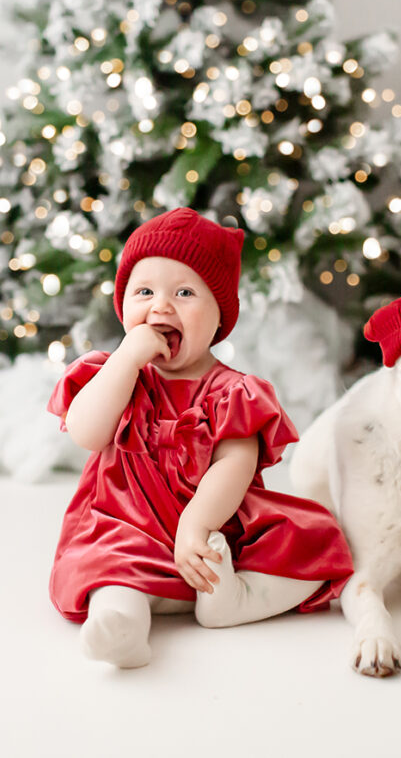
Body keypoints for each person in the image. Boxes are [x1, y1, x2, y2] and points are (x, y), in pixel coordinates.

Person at [47, 207, 353, 668]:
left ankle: (236, 597)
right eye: (144, 291)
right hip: (127, 527)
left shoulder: (232, 391)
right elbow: (88, 434)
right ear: (123, 303)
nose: (161, 306)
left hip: (215, 536)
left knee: (315, 542)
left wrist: (196, 526)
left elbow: (236, 464)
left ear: (218, 318)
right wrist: (125, 362)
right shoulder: (113, 375)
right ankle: (122, 627)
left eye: (184, 293)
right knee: (105, 567)